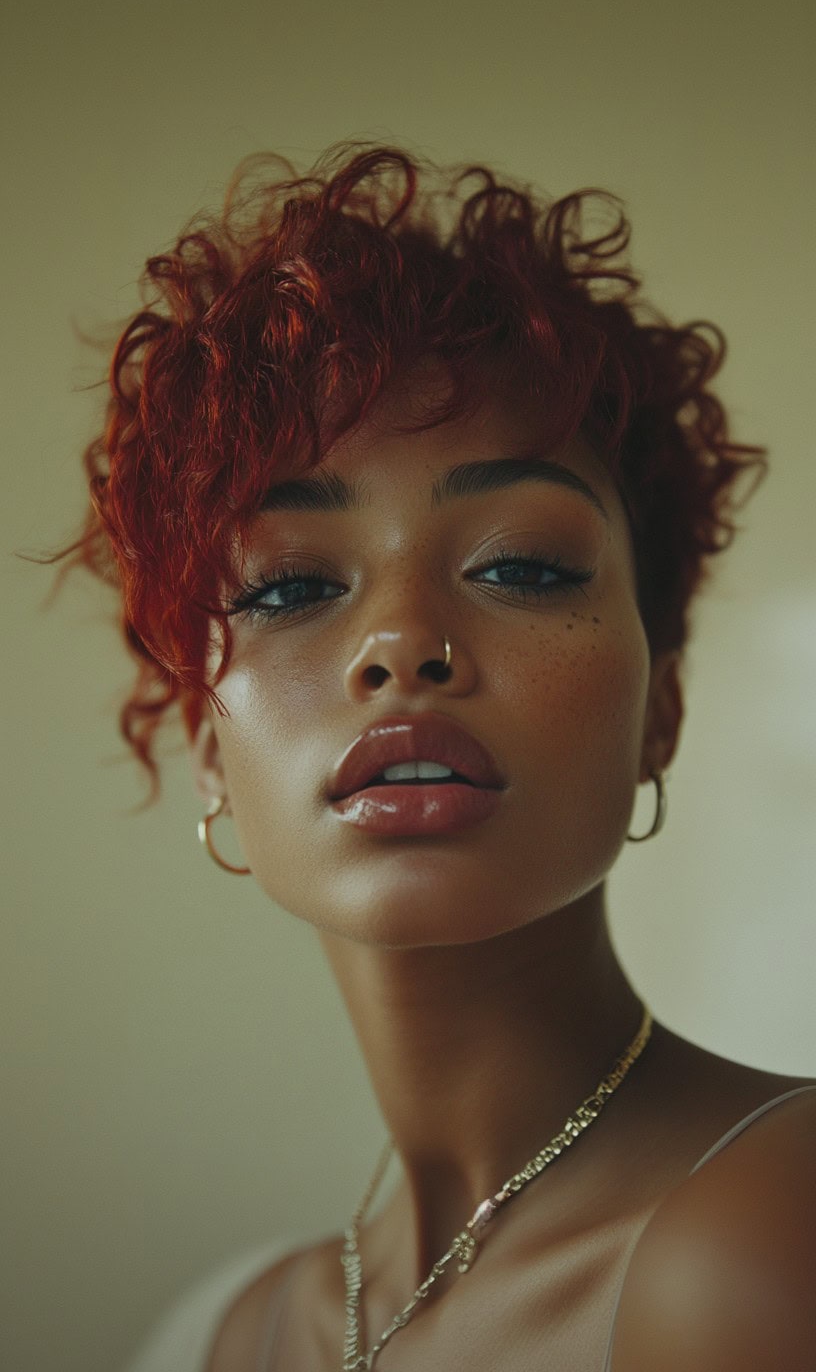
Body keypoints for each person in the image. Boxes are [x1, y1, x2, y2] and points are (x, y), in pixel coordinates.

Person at [62, 145, 815, 1370]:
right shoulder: (214, 1335)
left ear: (661, 711)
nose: (402, 641)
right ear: (207, 748)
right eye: (294, 582)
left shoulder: (768, 1239)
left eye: (521, 564)